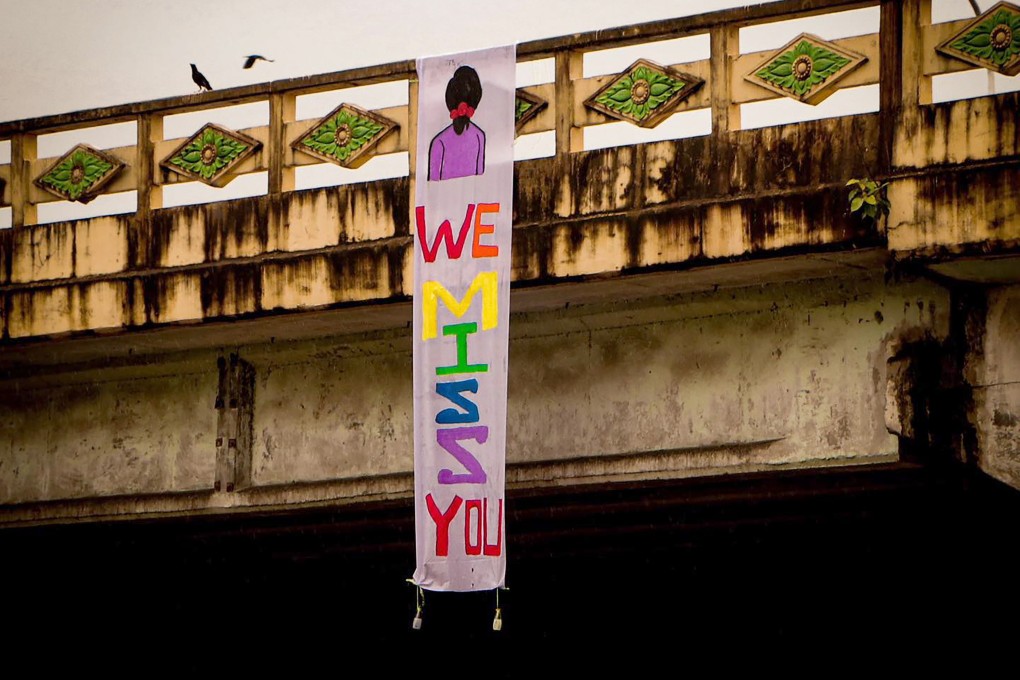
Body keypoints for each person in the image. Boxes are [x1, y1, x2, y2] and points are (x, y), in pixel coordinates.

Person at [428, 65, 486, 181]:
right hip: (472, 198)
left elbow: (432, 185)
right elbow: (480, 180)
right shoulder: (479, 136)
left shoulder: (439, 142)